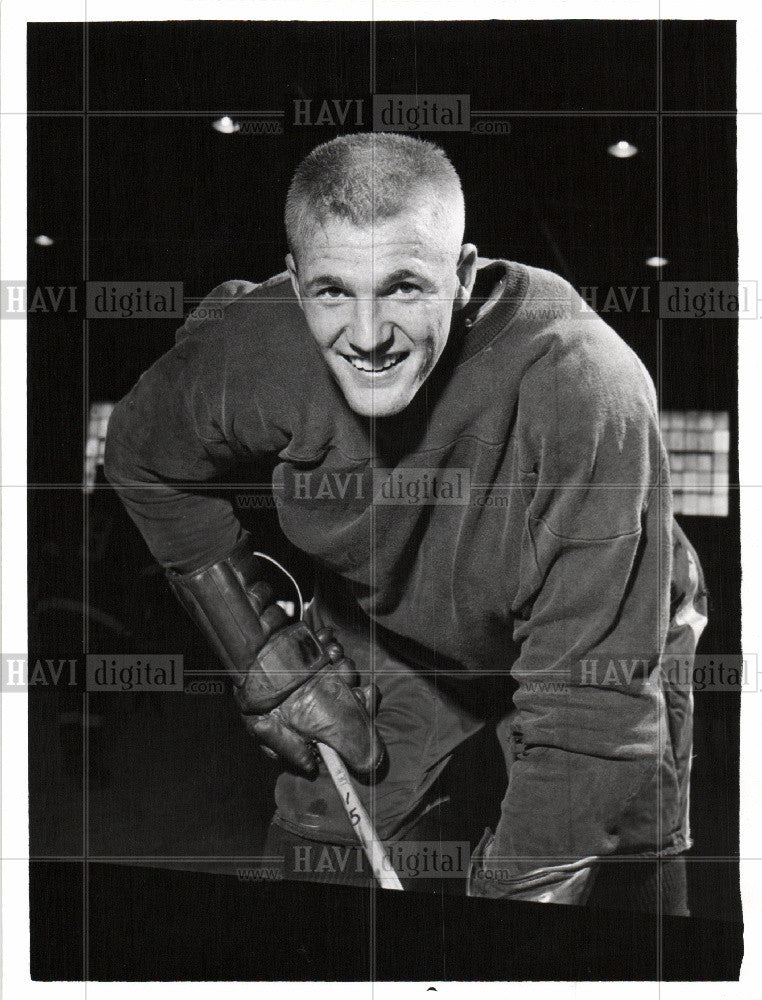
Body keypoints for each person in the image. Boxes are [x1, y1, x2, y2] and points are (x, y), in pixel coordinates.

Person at [105, 132, 707, 911]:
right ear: (294, 284)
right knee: (314, 872)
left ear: (460, 277)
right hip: (386, 624)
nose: (367, 336)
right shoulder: (254, 352)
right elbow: (143, 457)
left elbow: (589, 712)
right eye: (332, 292)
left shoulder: (588, 392)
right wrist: (260, 651)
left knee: (622, 891)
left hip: (601, 635)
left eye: (403, 288)